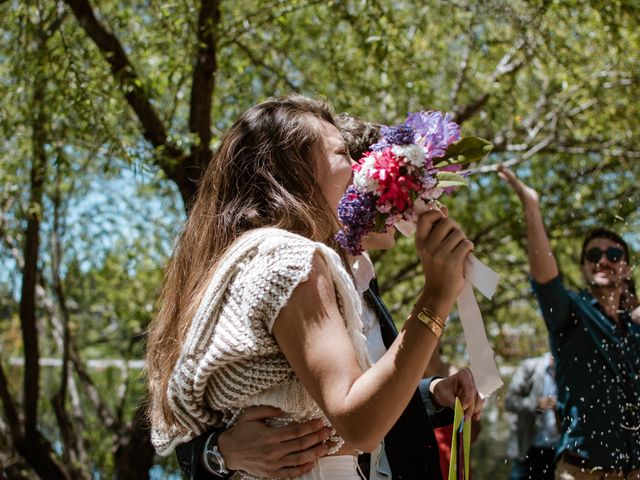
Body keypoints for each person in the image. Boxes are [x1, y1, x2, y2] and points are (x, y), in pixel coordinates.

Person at [146, 96, 482, 480]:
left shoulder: (273, 261)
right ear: (294, 171)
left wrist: (432, 393)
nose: (362, 171)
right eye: (343, 153)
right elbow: (358, 424)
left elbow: (320, 398)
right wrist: (436, 298)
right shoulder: (291, 261)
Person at [499, 166, 640, 479]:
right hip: (582, 470)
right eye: (594, 255)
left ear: (626, 269)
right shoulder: (570, 313)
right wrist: (531, 208)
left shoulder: (633, 329)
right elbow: (546, 279)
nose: (603, 260)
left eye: (614, 254)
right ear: (585, 268)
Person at [505, 353, 559, 480]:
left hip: (555, 453)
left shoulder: (568, 371)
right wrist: (536, 403)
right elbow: (510, 401)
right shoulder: (529, 367)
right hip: (527, 450)